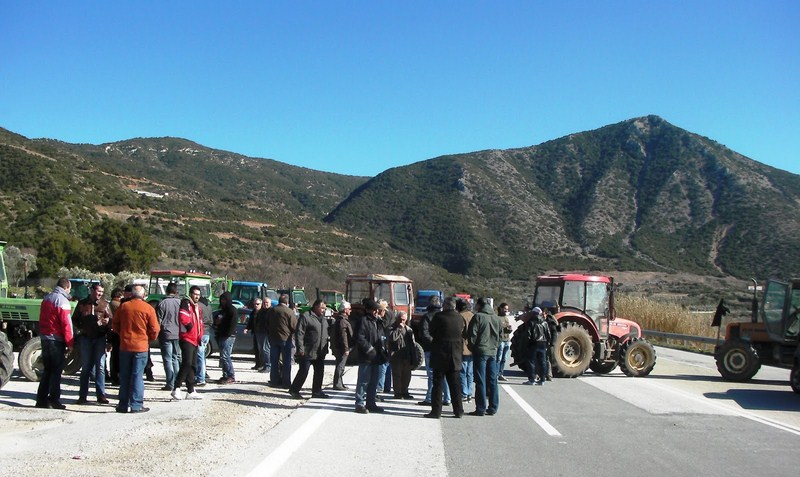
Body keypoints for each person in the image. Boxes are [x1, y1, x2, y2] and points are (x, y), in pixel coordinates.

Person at [113, 284, 160, 413]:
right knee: (137, 376)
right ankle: (136, 404)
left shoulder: (124, 307)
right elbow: (155, 329)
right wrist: (148, 339)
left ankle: (123, 404)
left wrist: (122, 334)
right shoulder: (148, 308)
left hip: (125, 345)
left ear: (132, 294)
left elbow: (115, 324)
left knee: (125, 375)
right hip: (141, 346)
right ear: (144, 295)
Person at [35, 278, 74, 410]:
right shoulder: (63, 301)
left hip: (45, 337)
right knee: (56, 371)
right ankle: (54, 399)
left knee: (47, 370)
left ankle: (41, 400)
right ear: (66, 287)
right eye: (70, 288)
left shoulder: (47, 298)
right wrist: (70, 342)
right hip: (56, 340)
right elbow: (66, 324)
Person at [72, 283, 112, 404]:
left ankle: (101, 395)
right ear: (91, 291)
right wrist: (82, 329)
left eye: (101, 292)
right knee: (85, 368)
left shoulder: (105, 304)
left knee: (100, 367)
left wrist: (109, 340)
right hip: (86, 339)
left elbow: (111, 323)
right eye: (98, 291)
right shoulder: (82, 304)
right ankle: (82, 396)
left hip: (100, 339)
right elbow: (74, 320)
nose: (100, 294)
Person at [426, 297, 465, 419]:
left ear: (445, 305)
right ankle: (458, 410)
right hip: (456, 354)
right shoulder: (460, 318)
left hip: (440, 354)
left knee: (438, 384)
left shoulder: (439, 317)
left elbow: (431, 331)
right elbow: (465, 333)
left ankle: (436, 411)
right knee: (455, 385)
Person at [467, 297, 501, 416]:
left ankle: (481, 408)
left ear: (479, 305)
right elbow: (500, 335)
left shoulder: (478, 317)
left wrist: (473, 348)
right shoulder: (496, 317)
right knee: (492, 380)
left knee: (480, 380)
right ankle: (493, 407)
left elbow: (472, 335)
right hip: (492, 351)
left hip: (480, 351)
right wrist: (495, 346)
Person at [288, 299, 329, 399]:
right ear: (316, 307)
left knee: (319, 371)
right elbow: (299, 333)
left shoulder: (323, 318)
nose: (323, 310)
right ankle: (294, 390)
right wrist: (300, 348)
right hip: (307, 350)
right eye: (322, 308)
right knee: (304, 371)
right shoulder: (306, 316)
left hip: (319, 351)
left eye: (324, 308)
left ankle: (317, 391)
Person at [354, 299, 387, 414]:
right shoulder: (363, 321)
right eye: (374, 310)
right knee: (363, 381)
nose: (376, 312)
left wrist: (383, 348)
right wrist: (370, 349)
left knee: (374, 381)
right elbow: (360, 338)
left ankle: (371, 403)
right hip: (367, 356)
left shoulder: (378, 321)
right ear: (368, 310)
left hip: (377, 357)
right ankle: (359, 403)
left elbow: (382, 335)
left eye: (377, 310)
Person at [417, 296, 451, 406]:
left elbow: (423, 333)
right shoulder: (444, 316)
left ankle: (430, 398)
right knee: (444, 373)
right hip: (444, 348)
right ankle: (447, 397)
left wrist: (432, 342)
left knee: (432, 374)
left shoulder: (427, 317)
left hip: (430, 349)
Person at [172, 295, 204, 400]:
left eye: (199, 295)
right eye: (195, 294)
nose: (197, 296)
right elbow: (183, 316)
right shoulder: (186, 303)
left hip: (195, 339)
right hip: (186, 338)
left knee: (193, 365)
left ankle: (190, 390)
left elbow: (200, 323)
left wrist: (200, 336)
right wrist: (189, 326)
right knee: (187, 363)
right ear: (191, 294)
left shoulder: (197, 307)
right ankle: (176, 387)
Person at [267, 294, 297, 388]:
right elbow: (294, 326)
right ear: (287, 302)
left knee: (274, 361)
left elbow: (266, 323)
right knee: (286, 362)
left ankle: (274, 381)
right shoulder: (289, 312)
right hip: (285, 339)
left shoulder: (272, 310)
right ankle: (286, 382)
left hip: (273, 338)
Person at [156, 282, 182, 391]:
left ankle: (170, 383)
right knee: (175, 357)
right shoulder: (180, 303)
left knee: (167, 359)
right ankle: (177, 382)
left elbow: (158, 321)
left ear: (166, 291)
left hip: (166, 334)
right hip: (178, 334)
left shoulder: (162, 303)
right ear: (176, 292)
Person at [388, 311, 415, 399]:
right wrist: (398, 329)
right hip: (396, 356)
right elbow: (392, 338)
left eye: (404, 320)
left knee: (407, 375)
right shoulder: (392, 328)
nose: (402, 322)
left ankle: (405, 391)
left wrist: (413, 357)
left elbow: (412, 344)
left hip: (406, 355)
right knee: (397, 375)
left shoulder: (409, 329)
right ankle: (398, 393)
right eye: (400, 319)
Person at [215, 291, 238, 384]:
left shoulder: (232, 310)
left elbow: (233, 324)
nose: (223, 301)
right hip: (221, 335)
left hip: (228, 336)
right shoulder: (222, 311)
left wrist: (227, 334)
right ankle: (225, 375)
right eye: (221, 299)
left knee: (225, 356)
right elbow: (216, 322)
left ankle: (230, 375)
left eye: (224, 299)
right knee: (222, 357)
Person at [524, 307, 551, 385]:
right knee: (542, 362)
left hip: (533, 344)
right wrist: (547, 344)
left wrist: (527, 345)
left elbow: (528, 335)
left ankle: (531, 380)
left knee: (531, 362)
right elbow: (548, 335)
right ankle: (542, 380)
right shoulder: (544, 323)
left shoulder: (531, 322)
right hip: (543, 344)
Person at [330, 300, 354, 391]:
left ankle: (340, 383)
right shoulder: (343, 321)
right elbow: (343, 336)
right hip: (341, 348)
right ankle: (337, 384)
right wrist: (346, 348)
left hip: (340, 347)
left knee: (341, 366)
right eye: (349, 309)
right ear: (345, 310)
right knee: (340, 366)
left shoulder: (341, 320)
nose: (350, 311)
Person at [457, 298, 474, 402]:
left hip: (463, 346)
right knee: (469, 372)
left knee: (462, 371)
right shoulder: (472, 315)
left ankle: (464, 392)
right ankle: (469, 392)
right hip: (472, 346)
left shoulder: (460, 316)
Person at [195, 295, 214, 387]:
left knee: (199, 356)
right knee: (202, 355)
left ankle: (200, 378)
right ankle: (203, 373)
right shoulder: (209, 307)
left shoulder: (198, 306)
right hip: (207, 333)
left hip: (200, 332)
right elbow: (211, 321)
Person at [376, 300, 394, 394]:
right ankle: (386, 386)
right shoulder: (390, 312)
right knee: (387, 365)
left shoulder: (386, 313)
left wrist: (379, 320)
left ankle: (380, 386)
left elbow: (384, 325)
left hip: (385, 338)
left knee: (383, 365)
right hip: (388, 338)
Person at [107, 287, 124, 385]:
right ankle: (116, 376)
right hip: (116, 332)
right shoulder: (117, 305)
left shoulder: (110, 304)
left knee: (113, 356)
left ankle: (114, 376)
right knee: (116, 356)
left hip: (112, 332)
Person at [252, 298, 271, 373]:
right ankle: (263, 365)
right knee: (261, 350)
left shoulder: (271, 311)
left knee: (266, 349)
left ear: (270, 303)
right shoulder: (261, 311)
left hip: (266, 333)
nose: (265, 304)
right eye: (264, 303)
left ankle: (268, 366)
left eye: (267, 302)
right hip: (259, 332)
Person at [245, 298, 264, 370]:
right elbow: (250, 323)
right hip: (255, 333)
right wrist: (247, 328)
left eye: (258, 304)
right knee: (256, 349)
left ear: (261, 304)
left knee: (262, 350)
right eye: (255, 304)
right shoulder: (253, 313)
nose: (256, 305)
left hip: (262, 333)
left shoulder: (263, 313)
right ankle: (257, 364)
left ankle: (262, 365)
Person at [496, 302, 513, 381]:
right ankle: (496, 374)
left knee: (504, 359)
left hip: (507, 340)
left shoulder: (506, 318)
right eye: (505, 309)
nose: (506, 310)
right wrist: (504, 330)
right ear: (501, 308)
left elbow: (507, 329)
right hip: (501, 341)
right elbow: (497, 330)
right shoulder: (497, 318)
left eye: (507, 309)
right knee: (498, 359)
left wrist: (510, 329)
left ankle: (501, 374)